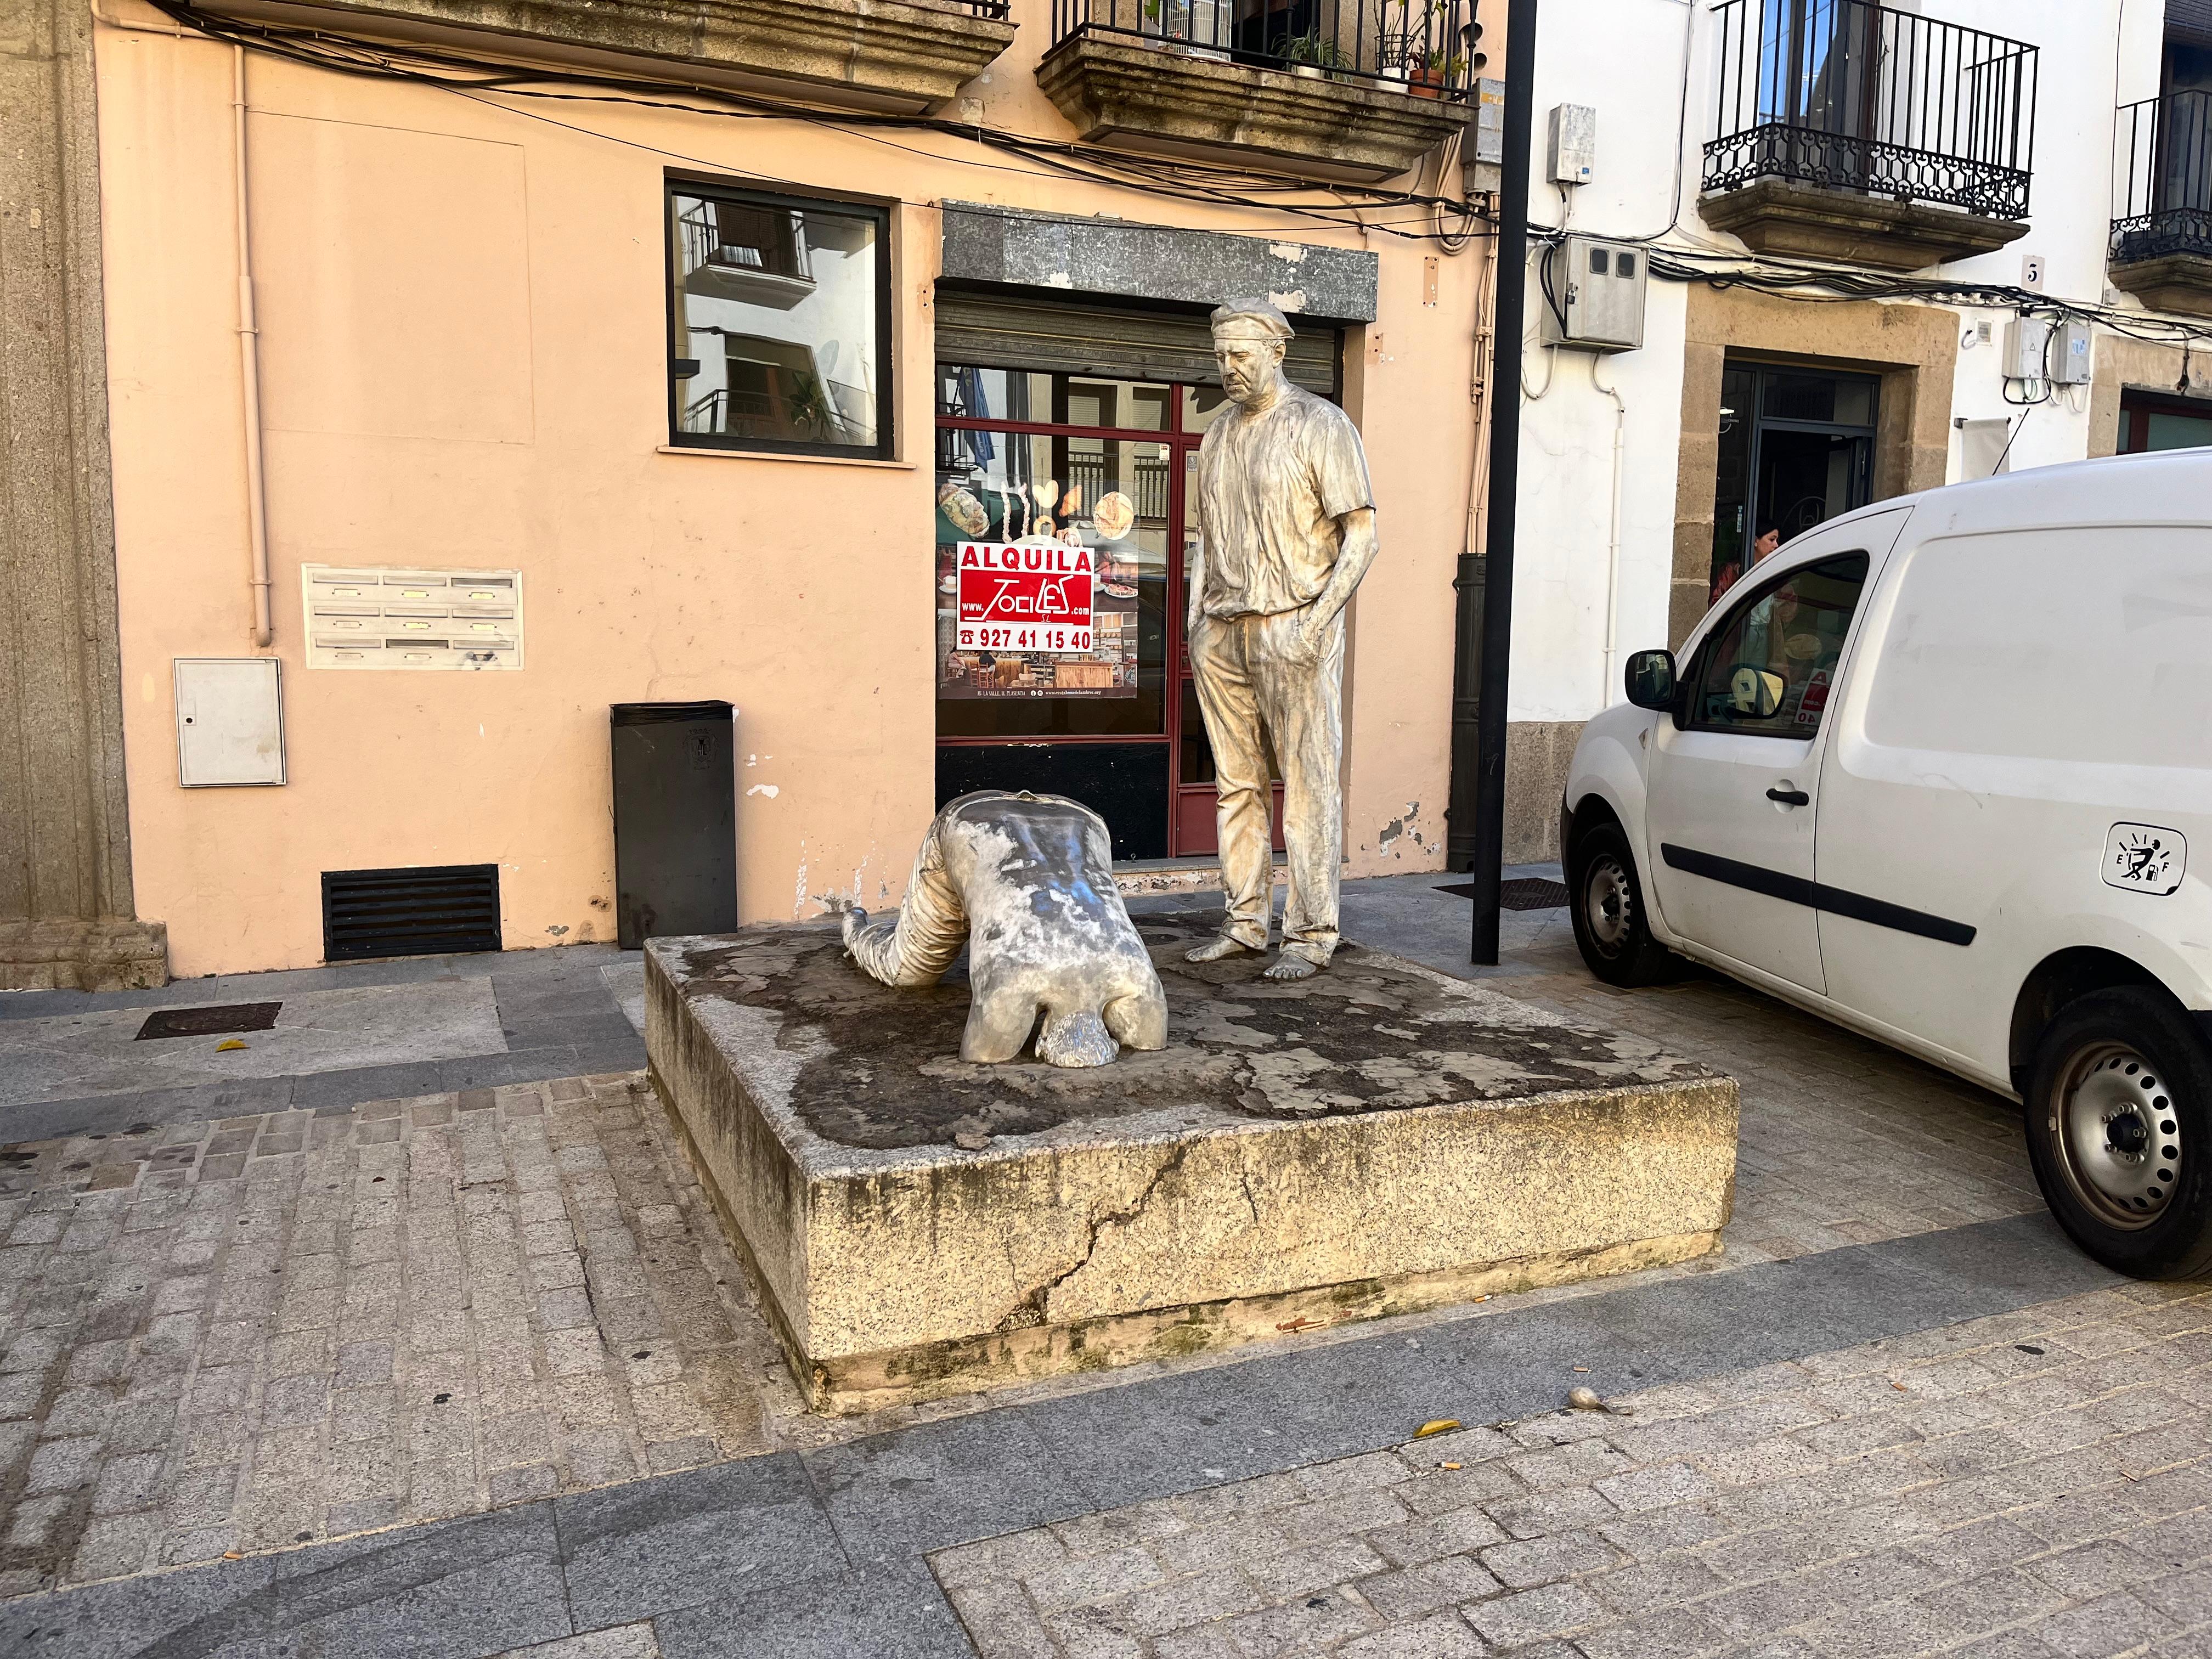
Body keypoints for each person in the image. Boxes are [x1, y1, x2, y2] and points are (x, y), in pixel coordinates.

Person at [1183, 299, 1379, 981]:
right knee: (1235, 784)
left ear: (1277, 352)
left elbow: (1363, 534)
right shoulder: (1215, 437)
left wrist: (1318, 620)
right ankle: (1244, 923)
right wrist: (1194, 621)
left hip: (1293, 624)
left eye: (1240, 354)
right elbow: (1204, 539)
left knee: (1307, 784)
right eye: (1220, 356)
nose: (1229, 368)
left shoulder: (1321, 425)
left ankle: (1312, 932)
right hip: (1223, 631)